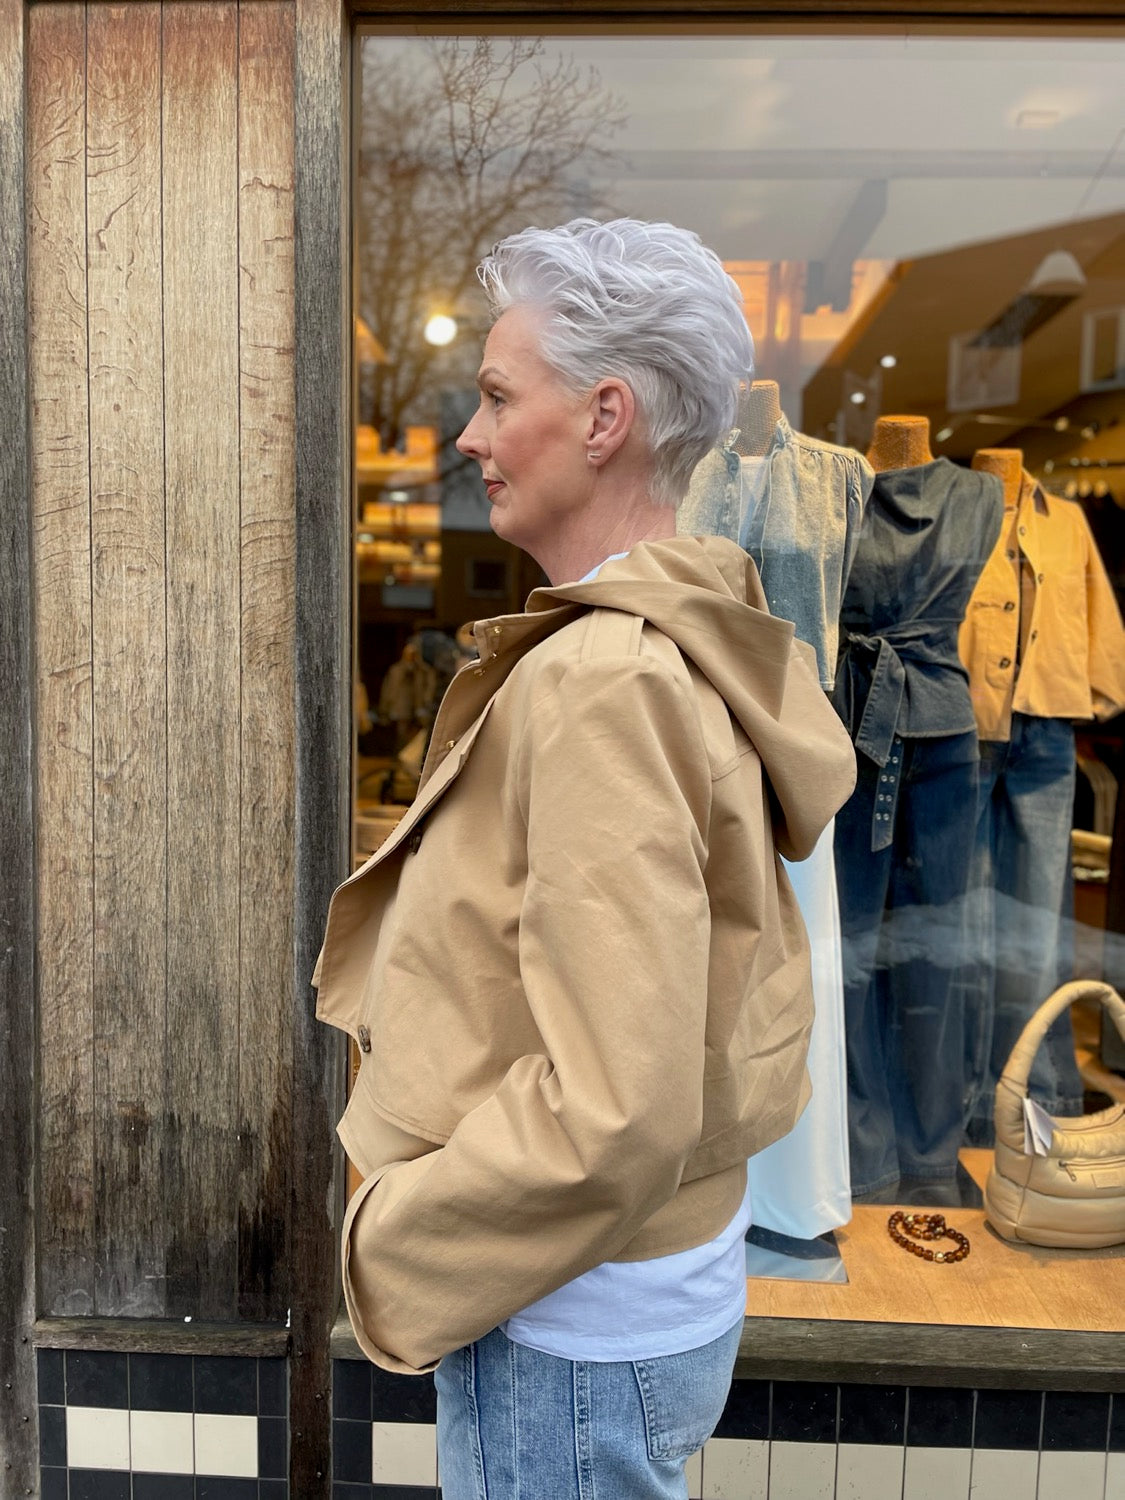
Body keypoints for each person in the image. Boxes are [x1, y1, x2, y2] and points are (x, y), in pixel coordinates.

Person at [313, 218, 856, 1499]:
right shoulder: (685, 628)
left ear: (606, 417)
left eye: (500, 397)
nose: (470, 436)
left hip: (565, 1318)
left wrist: (399, 1237)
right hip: (627, 1296)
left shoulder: (606, 676)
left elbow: (617, 1107)